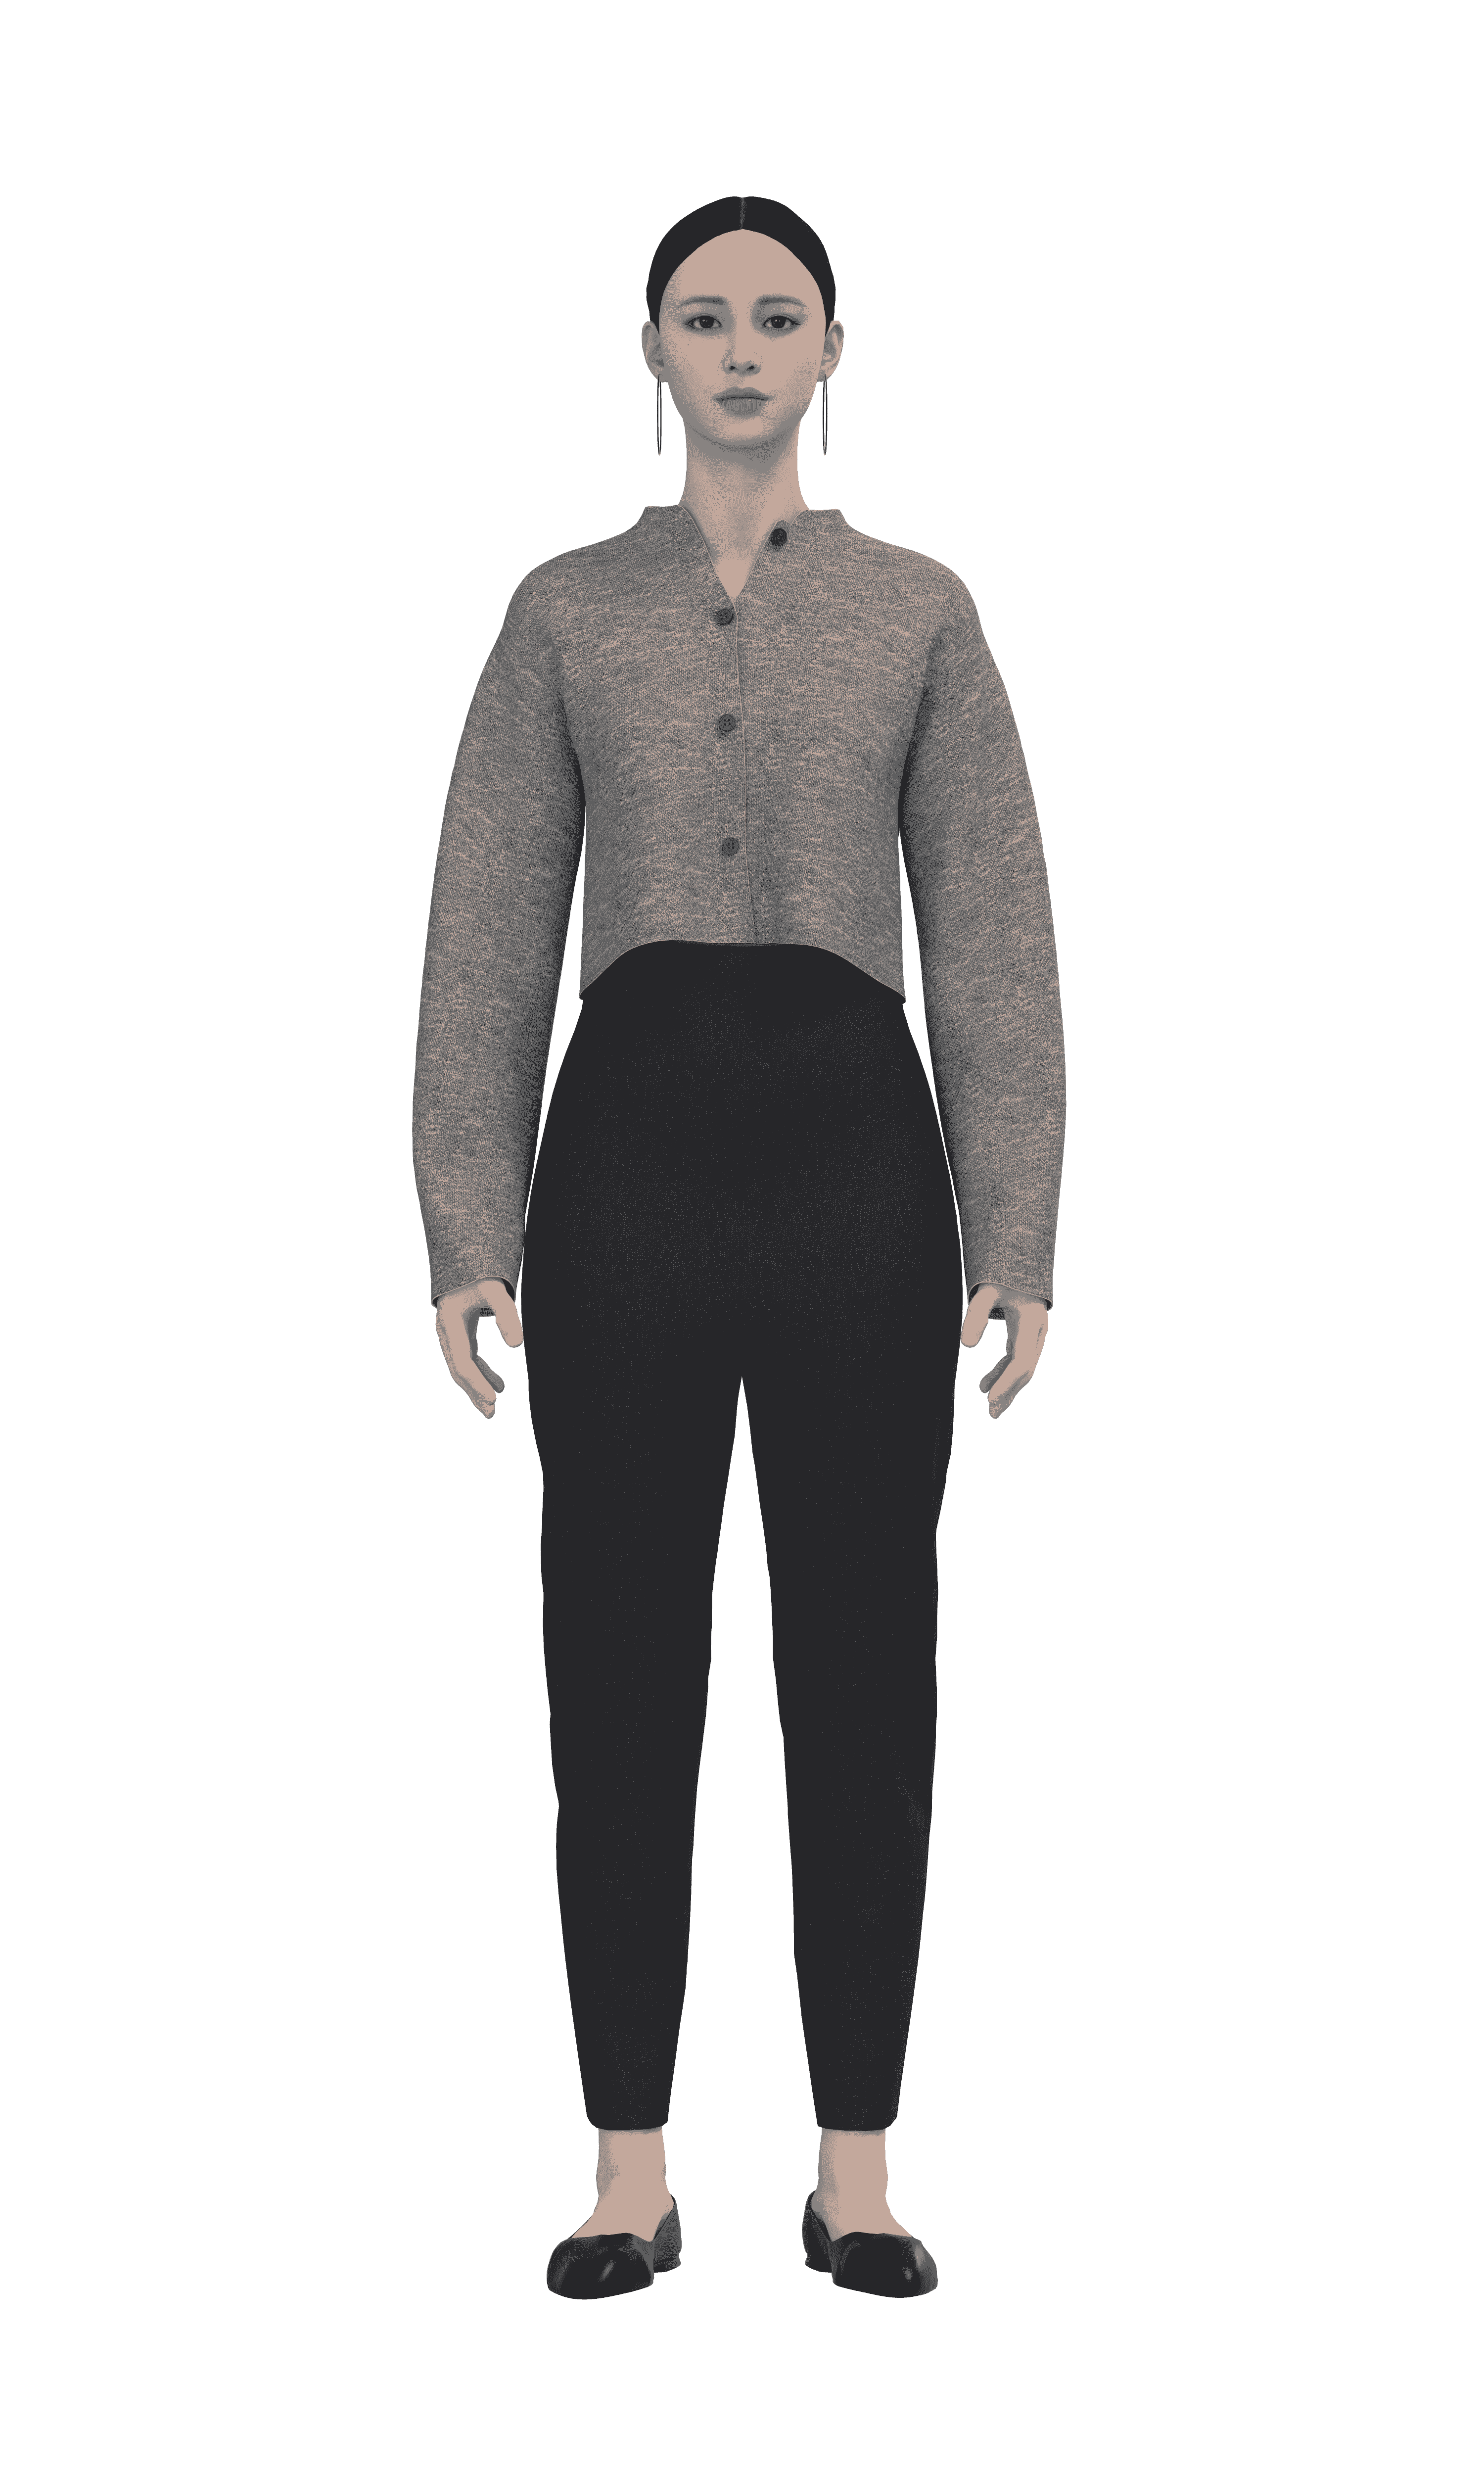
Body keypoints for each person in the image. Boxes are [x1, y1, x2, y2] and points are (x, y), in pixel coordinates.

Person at [412, 198, 1066, 2299]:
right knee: (615, 1656)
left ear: (836, 348)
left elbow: (994, 931)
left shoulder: (922, 612)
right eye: (706, 316)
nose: (745, 346)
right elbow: (488, 928)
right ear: (653, 349)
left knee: (868, 1658)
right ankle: (630, 2170)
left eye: (780, 314)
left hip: (865, 1171)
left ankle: (857, 2171)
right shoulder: (562, 612)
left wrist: (1019, 1223)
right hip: (625, 1173)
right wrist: (468, 1222)